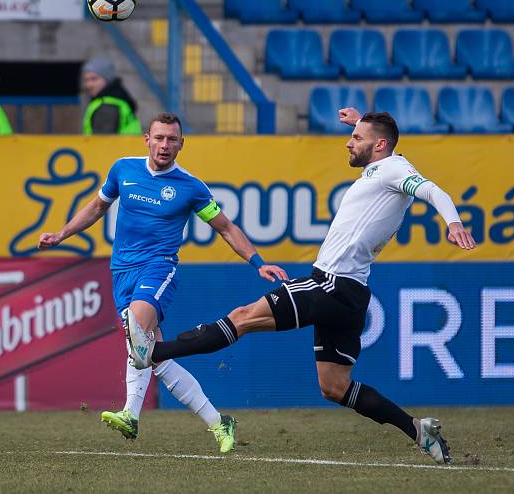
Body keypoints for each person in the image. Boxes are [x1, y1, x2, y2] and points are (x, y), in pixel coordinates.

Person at [125, 109, 477, 465]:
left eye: (357, 138)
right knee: (335, 387)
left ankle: (152, 353)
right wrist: (358, 120)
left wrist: (453, 222)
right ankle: (419, 430)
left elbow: (432, 190)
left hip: (330, 284)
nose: (349, 142)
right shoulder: (381, 168)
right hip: (352, 294)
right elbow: (380, 140)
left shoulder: (395, 169)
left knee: (242, 317)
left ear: (380, 145)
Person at [38, 112, 287, 453]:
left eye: (172, 139)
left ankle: (130, 414)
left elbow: (226, 228)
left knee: (136, 330)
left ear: (181, 144)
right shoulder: (123, 169)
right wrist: (62, 233)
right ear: (147, 140)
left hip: (159, 268)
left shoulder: (190, 186)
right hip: (121, 271)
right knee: (153, 356)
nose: (165, 145)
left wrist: (258, 262)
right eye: (159, 138)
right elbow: (97, 207)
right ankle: (219, 422)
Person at [81, 56, 142, 135]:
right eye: (86, 80)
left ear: (107, 79)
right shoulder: (119, 100)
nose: (89, 85)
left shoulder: (107, 105)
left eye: (94, 79)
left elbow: (102, 143)